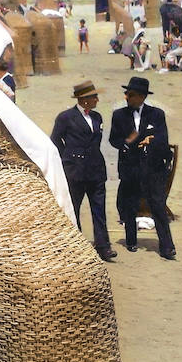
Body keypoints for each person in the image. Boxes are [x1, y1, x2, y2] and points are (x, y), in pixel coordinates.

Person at [109, 76, 177, 261]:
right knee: (129, 204)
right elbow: (114, 139)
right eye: (126, 94)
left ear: (142, 96)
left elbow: (162, 138)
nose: (127, 98)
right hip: (130, 166)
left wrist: (150, 141)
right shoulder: (119, 115)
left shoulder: (157, 114)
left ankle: (167, 246)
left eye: (131, 94)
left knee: (158, 206)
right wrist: (128, 143)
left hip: (153, 168)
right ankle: (131, 240)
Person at [49, 80, 115, 260]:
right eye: (94, 97)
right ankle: (75, 246)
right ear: (84, 99)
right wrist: (69, 157)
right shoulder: (65, 117)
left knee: (99, 210)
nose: (97, 100)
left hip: (96, 170)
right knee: (74, 209)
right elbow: (55, 140)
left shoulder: (97, 117)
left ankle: (103, 246)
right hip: (75, 172)